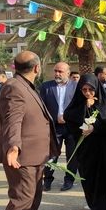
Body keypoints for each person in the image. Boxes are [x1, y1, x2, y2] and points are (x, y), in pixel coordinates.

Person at [0, 51, 59, 210]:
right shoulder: (14, 87)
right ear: (37, 68)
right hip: (22, 157)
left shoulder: (24, 85)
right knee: (21, 201)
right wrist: (13, 147)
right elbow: (13, 119)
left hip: (35, 156)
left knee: (34, 197)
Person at [64, 73, 106, 210]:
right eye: (84, 90)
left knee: (103, 180)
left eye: (91, 89)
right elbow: (69, 118)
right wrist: (86, 108)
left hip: (105, 149)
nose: (88, 93)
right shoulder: (79, 103)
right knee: (90, 180)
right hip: (87, 151)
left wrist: (95, 127)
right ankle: (95, 209)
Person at [39, 62, 78, 191]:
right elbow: (41, 108)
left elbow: (79, 107)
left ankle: (69, 180)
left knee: (71, 155)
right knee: (51, 155)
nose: (57, 73)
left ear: (68, 72)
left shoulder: (76, 87)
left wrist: (68, 117)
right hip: (54, 127)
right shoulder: (46, 87)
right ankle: (48, 180)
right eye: (56, 71)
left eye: (60, 71)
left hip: (71, 127)